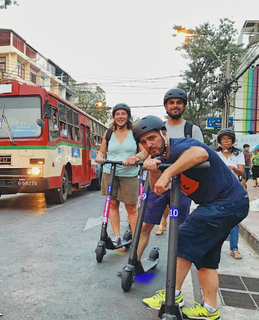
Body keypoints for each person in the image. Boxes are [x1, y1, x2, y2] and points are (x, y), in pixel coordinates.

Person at [134, 115, 248, 320]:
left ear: (164, 134)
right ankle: (210, 310)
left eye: (152, 138)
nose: (149, 144)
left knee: (182, 237)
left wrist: (168, 172)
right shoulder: (161, 157)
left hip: (227, 202)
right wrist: (153, 169)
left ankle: (173, 295)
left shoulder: (180, 146)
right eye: (143, 142)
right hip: (223, 204)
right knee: (206, 258)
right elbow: (158, 188)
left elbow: (201, 152)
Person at [143, 88, 203, 246]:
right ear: (165, 106)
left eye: (179, 103)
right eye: (171, 103)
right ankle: (133, 263)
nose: (175, 106)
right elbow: (145, 153)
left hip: (183, 187)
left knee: (179, 230)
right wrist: (134, 158)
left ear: (184, 106)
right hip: (157, 184)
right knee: (144, 225)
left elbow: (201, 156)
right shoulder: (157, 129)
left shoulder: (192, 130)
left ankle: (176, 267)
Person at [95, 103, 148, 246]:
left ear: (128, 116)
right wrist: (99, 157)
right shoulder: (109, 133)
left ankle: (137, 238)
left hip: (129, 173)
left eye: (123, 114)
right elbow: (102, 151)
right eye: (117, 114)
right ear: (113, 117)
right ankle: (117, 236)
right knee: (112, 203)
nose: (120, 117)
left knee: (131, 207)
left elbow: (144, 152)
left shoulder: (135, 133)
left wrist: (135, 158)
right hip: (110, 172)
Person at [216, 128, 245, 260]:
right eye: (223, 139)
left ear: (232, 141)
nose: (226, 141)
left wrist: (233, 168)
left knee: (234, 219)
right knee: (215, 218)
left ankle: (234, 248)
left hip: (234, 189)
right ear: (220, 141)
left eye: (228, 139)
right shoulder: (215, 153)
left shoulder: (239, 154)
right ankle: (213, 247)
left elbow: (241, 172)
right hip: (217, 189)